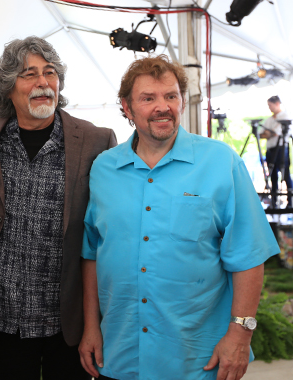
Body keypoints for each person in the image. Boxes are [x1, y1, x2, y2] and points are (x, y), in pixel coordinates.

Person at [79, 55, 279, 380]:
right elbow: (92, 253)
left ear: (182, 101)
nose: (163, 107)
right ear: (126, 107)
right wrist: (91, 326)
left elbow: (248, 255)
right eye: (148, 98)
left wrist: (241, 334)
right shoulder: (103, 168)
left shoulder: (221, 162)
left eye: (171, 96)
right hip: (119, 353)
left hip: (195, 360)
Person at [0, 36, 117, 380]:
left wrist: (97, 322)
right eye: (29, 74)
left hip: (68, 321)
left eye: (50, 73)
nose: (43, 82)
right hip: (3, 319)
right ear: (7, 88)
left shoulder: (96, 141)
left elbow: (106, 234)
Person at [260, 95, 292, 207]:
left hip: (282, 149)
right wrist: (269, 133)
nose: (269, 108)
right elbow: (261, 134)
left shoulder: (285, 116)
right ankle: (273, 202)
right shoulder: (269, 120)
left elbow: (276, 133)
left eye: (270, 105)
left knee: (286, 175)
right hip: (270, 149)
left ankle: (290, 202)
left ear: (277, 104)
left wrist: (269, 133)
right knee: (272, 176)